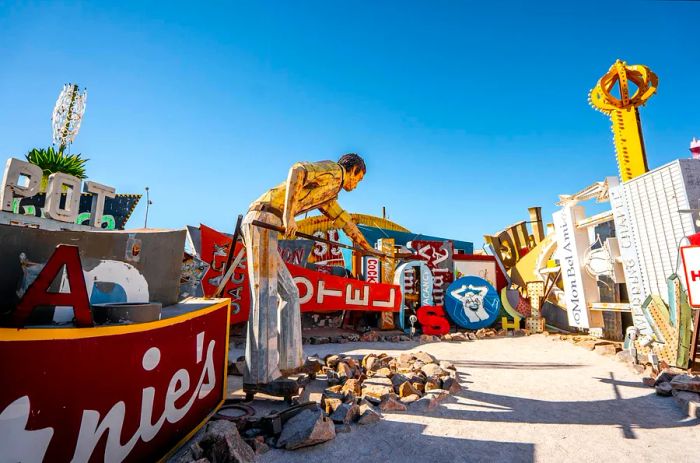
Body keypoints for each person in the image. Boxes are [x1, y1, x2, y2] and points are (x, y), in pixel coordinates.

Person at [242, 153, 374, 398]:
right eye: (359, 178)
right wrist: (289, 216)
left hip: (267, 221)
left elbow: (344, 221)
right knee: (266, 295)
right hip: (263, 219)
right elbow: (298, 170)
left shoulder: (329, 192)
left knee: (290, 293)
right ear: (353, 170)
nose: (356, 185)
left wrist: (366, 246)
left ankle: (290, 361)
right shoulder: (334, 172)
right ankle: (260, 376)